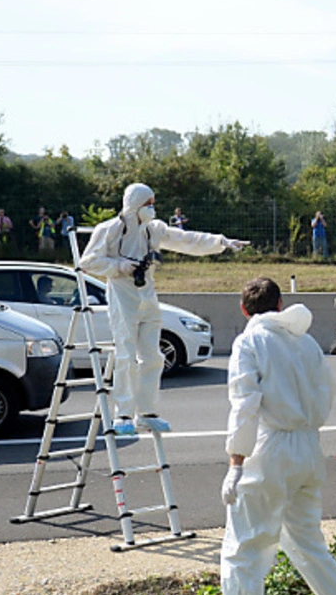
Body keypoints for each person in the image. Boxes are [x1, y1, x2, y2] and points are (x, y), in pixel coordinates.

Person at [193, 277, 336, 595]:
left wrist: (236, 462)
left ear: (244, 310)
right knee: (304, 538)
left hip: (270, 449)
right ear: (280, 304)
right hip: (309, 447)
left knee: (244, 548)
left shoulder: (250, 342)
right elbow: (326, 393)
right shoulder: (305, 342)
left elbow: (244, 404)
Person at [80, 183, 249, 436]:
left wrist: (221, 242)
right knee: (126, 354)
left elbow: (187, 240)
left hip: (147, 294)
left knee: (153, 356)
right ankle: (123, 413)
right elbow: (88, 261)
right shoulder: (110, 229)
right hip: (122, 294)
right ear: (134, 204)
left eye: (152, 203)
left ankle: (146, 412)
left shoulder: (154, 229)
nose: (152, 208)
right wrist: (119, 266)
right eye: (147, 203)